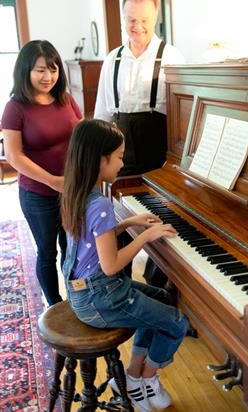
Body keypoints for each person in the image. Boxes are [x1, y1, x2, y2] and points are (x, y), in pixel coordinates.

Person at [61, 119, 189, 412]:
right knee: (177, 322)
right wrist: (146, 235)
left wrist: (129, 223)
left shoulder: (78, 191)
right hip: (101, 297)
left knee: (160, 298)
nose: (122, 162)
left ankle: (132, 376)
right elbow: (111, 264)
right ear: (99, 159)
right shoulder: (100, 204)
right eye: (118, 156)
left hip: (86, 293)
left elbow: (95, 242)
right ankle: (142, 379)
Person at [94, 0, 185, 285]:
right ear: (123, 20)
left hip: (160, 156)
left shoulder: (172, 57)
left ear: (155, 18)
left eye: (144, 20)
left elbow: (183, 117)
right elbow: (102, 114)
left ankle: (158, 285)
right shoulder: (113, 60)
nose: (138, 27)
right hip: (121, 158)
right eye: (131, 20)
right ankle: (117, 286)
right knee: (118, 223)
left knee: (163, 221)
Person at [1, 40, 82, 306]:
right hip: (38, 195)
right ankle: (55, 307)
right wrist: (53, 181)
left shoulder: (66, 100)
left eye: (53, 68)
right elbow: (14, 156)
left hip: (71, 189)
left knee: (73, 249)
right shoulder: (15, 108)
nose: (48, 76)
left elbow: (82, 136)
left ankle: (77, 302)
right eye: (40, 70)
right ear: (25, 70)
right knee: (48, 252)